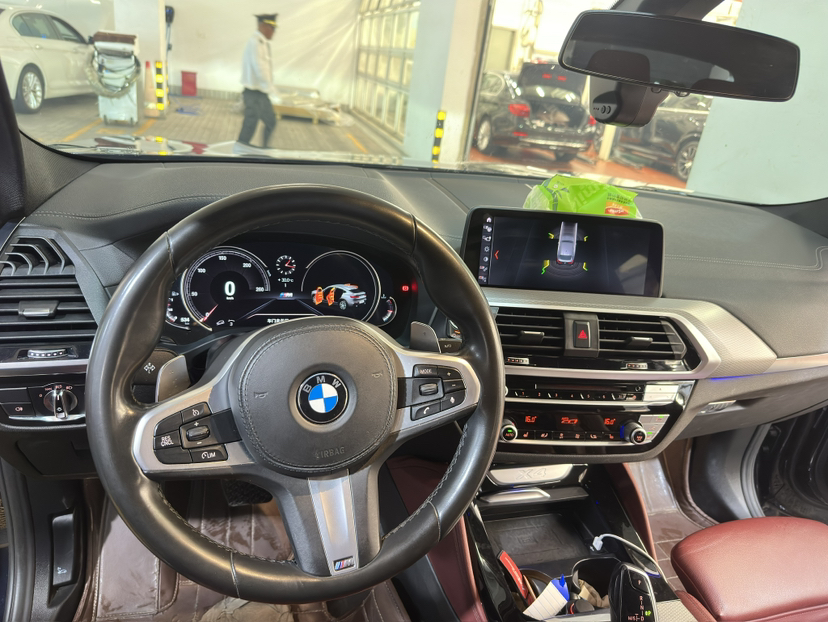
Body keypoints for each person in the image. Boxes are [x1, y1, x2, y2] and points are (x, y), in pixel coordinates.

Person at [236, 13, 278, 150]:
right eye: (272, 28)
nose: (274, 32)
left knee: (271, 121)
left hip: (261, 92)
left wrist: (269, 88)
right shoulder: (256, 42)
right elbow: (260, 68)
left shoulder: (262, 42)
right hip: (253, 92)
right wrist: (271, 88)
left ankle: (265, 149)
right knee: (250, 123)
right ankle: (239, 151)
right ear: (263, 26)